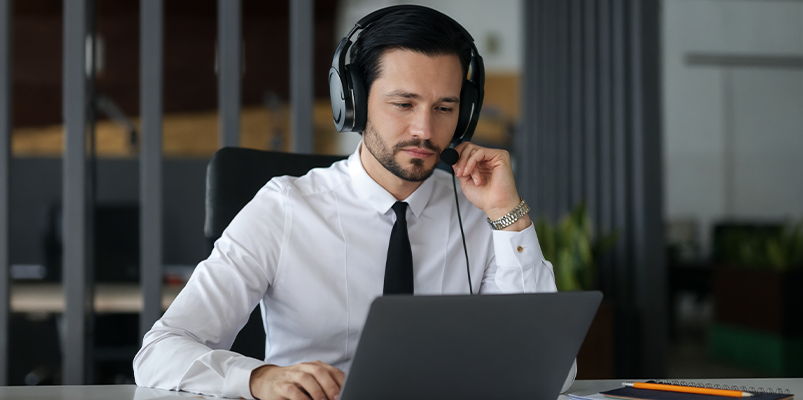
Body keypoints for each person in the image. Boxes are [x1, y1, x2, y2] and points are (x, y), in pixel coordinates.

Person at [134, 5, 575, 400]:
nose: (425, 129)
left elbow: (553, 372)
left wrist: (506, 216)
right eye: (404, 103)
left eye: (445, 108)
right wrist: (258, 378)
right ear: (354, 103)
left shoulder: (479, 211)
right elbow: (159, 352)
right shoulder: (284, 208)